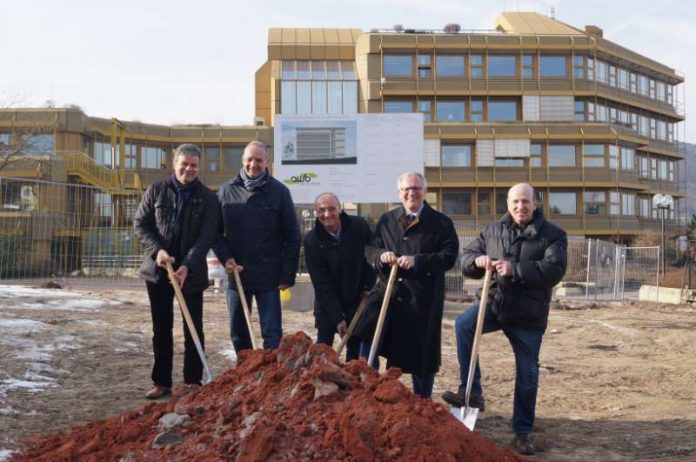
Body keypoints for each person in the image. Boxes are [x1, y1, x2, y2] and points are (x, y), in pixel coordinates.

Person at [442, 183, 567, 456]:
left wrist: (516, 269)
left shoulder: (553, 235)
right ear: (507, 204)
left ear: (534, 204)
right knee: (464, 325)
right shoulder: (492, 230)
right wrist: (477, 262)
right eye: (515, 202)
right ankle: (472, 391)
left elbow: (553, 270)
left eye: (525, 201)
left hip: (528, 315)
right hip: (496, 304)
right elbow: (466, 259)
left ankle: (522, 432)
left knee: (527, 374)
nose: (520, 207)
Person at [361, 172, 459, 398]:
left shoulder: (441, 223)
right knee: (368, 334)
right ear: (399, 192)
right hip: (390, 294)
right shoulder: (387, 220)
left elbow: (449, 257)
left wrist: (418, 261)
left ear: (425, 191)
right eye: (406, 188)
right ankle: (370, 392)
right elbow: (371, 249)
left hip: (422, 298)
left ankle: (422, 401)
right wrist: (381, 256)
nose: (411, 192)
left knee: (421, 354)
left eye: (416, 188)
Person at [134, 143, 219, 399]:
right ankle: (162, 382)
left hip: (190, 273)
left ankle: (192, 382)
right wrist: (157, 251)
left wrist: (187, 265)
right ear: (175, 164)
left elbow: (207, 236)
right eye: (184, 164)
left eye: (194, 165)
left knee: (193, 326)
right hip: (158, 271)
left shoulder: (208, 197)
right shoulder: (157, 191)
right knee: (161, 327)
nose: (189, 169)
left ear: (198, 166)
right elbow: (141, 224)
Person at [214, 140, 301, 351]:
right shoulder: (226, 191)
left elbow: (292, 235)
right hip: (237, 274)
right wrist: (226, 258)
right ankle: (244, 374)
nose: (254, 164)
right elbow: (214, 233)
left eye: (259, 160)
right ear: (243, 160)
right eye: (250, 159)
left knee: (272, 334)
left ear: (267, 162)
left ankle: (270, 378)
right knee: (239, 333)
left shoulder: (279, 192)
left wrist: (287, 274)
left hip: (268, 275)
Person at [303, 192, 375, 361]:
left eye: (331, 209)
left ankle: (352, 384)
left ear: (340, 208)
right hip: (327, 303)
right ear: (316, 213)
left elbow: (370, 257)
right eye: (321, 210)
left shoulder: (358, 226)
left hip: (356, 297)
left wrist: (367, 287)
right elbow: (322, 284)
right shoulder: (312, 241)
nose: (327, 214)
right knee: (323, 352)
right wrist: (338, 318)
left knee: (355, 351)